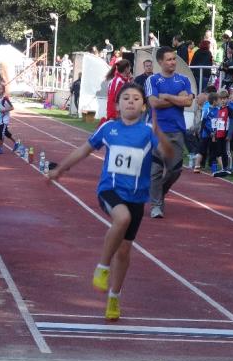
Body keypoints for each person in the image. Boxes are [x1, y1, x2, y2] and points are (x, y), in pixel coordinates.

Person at [49, 84, 172, 320]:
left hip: (136, 197)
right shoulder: (108, 128)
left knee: (124, 250)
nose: (130, 101)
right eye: (125, 98)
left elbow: (169, 154)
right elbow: (83, 150)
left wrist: (161, 134)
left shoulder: (148, 132)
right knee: (122, 218)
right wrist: (60, 169)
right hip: (110, 190)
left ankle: (114, 296)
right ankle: (102, 267)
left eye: (136, 98)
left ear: (143, 106)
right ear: (117, 105)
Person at [145, 46, 194, 218]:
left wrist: (166, 96)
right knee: (156, 170)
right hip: (157, 131)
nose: (173, 62)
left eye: (174, 59)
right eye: (169, 59)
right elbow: (154, 103)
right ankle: (156, 205)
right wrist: (178, 99)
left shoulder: (183, 80)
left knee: (175, 171)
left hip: (177, 131)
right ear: (160, 62)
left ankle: (158, 192)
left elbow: (188, 102)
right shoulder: (152, 80)